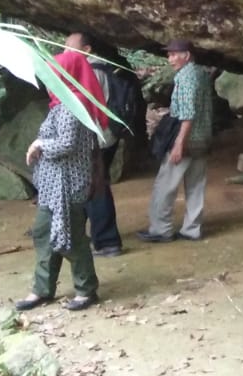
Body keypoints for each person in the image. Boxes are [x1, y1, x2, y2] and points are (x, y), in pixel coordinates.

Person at [15, 49, 103, 312]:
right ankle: (42, 289)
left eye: (57, 73)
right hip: (54, 186)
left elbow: (66, 143)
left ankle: (86, 290)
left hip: (68, 184)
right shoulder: (63, 102)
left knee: (72, 236)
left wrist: (39, 144)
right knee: (45, 233)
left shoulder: (72, 105)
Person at [137, 38, 213, 243]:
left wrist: (179, 144)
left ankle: (161, 229)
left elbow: (187, 114)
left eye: (173, 54)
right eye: (169, 54)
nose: (169, 59)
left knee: (165, 185)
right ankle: (192, 229)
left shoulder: (186, 77)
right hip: (203, 138)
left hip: (187, 140)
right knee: (196, 185)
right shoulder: (201, 74)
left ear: (186, 56)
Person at [66, 32, 124, 257]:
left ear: (87, 50)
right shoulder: (100, 69)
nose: (65, 53)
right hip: (104, 137)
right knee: (94, 186)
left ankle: (107, 241)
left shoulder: (91, 72)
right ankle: (97, 236)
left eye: (70, 48)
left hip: (95, 139)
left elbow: (85, 109)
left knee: (95, 189)